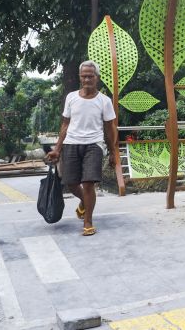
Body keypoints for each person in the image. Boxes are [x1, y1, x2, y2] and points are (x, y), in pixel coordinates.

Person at [46, 60, 117, 236]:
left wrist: (113, 152)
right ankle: (84, 203)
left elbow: (110, 129)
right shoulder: (71, 97)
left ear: (97, 78)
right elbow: (64, 125)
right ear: (80, 77)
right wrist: (57, 149)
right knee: (70, 183)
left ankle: (88, 222)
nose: (87, 79)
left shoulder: (104, 101)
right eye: (84, 76)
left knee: (88, 183)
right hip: (71, 143)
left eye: (90, 76)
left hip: (94, 144)